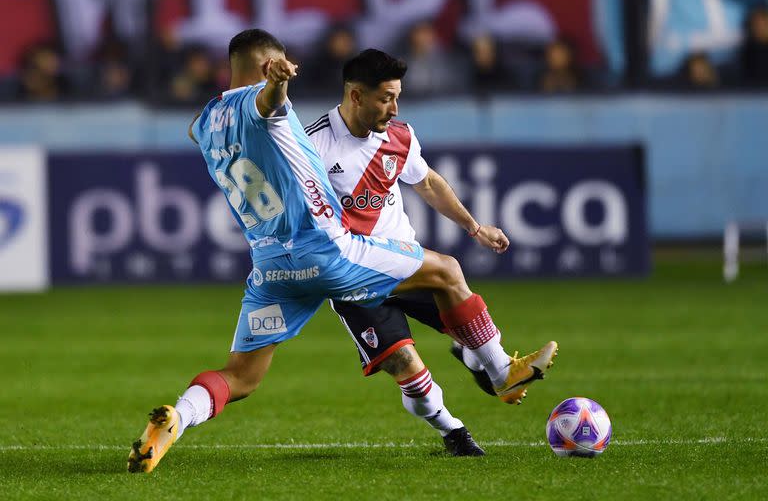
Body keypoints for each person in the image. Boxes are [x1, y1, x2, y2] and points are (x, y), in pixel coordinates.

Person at [127, 29, 558, 473]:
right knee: (447, 269)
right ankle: (500, 372)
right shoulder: (268, 107)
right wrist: (277, 83)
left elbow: (200, 129)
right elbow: (269, 105)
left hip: (271, 265)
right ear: (266, 67)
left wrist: (471, 225)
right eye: (281, 62)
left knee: (240, 376)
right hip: (329, 252)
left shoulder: (207, 121)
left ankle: (179, 416)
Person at [306, 47, 527, 451]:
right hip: (355, 280)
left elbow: (426, 182)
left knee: (450, 275)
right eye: (386, 98)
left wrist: (474, 227)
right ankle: (452, 429)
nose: (394, 108)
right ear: (355, 95)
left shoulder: (399, 136)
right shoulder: (313, 148)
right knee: (409, 372)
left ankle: (498, 370)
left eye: (398, 97)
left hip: (405, 261)